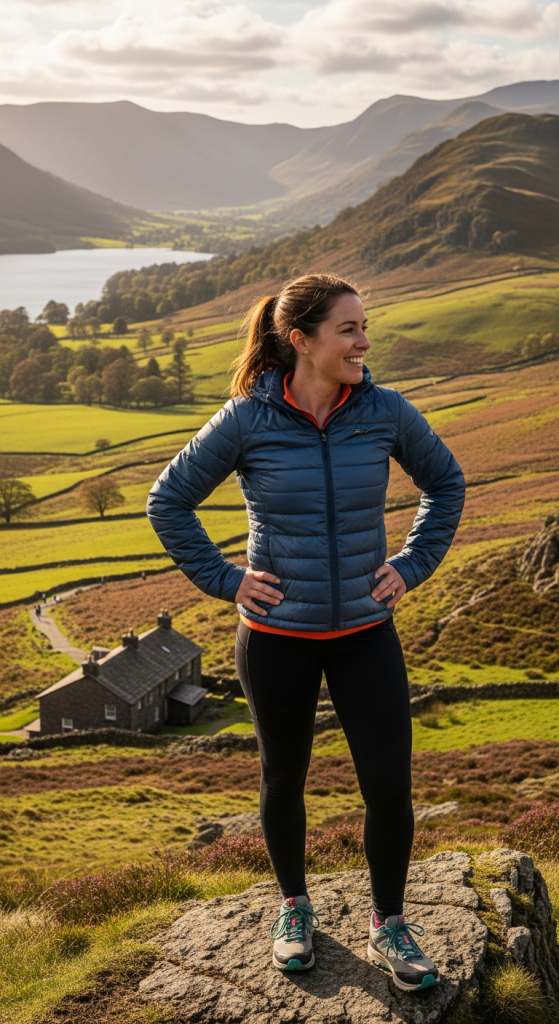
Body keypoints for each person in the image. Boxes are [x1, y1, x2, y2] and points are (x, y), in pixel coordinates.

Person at [147, 274, 465, 991]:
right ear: (302, 341)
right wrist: (227, 581)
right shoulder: (245, 420)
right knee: (282, 777)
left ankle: (389, 923)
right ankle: (293, 908)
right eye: (349, 329)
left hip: (362, 631)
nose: (363, 341)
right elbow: (168, 500)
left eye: (364, 326)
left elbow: (446, 483)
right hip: (275, 637)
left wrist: (410, 566)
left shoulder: (383, 411)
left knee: (387, 785)